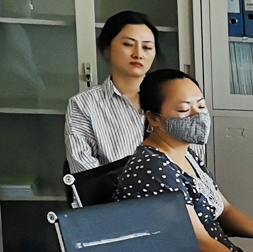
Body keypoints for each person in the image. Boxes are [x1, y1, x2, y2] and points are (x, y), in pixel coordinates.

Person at [116, 70, 253, 252]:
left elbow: (224, 210)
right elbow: (199, 243)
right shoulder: (154, 169)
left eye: (201, 106)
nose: (197, 115)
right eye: (184, 109)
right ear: (153, 118)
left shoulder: (185, 154)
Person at [65, 10, 196, 173]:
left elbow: (194, 163)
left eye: (147, 47)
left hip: (172, 188)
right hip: (113, 190)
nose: (138, 54)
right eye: (128, 44)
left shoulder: (176, 101)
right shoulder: (84, 104)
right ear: (107, 48)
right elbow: (85, 172)